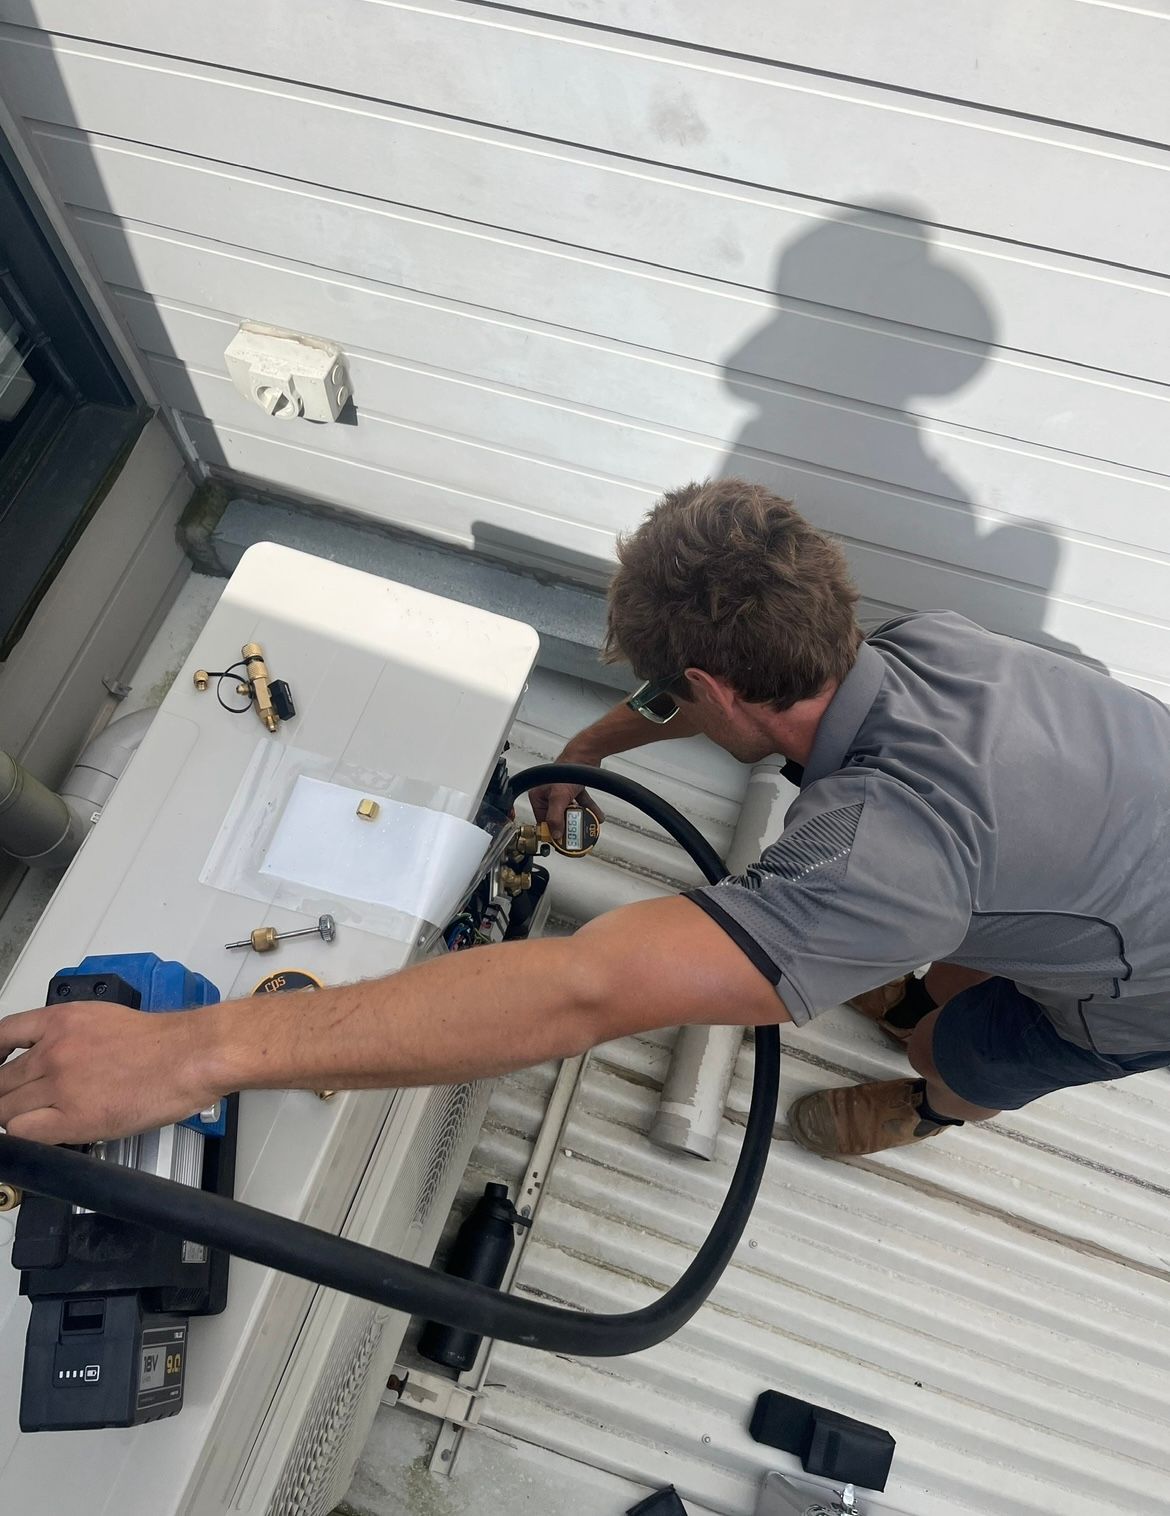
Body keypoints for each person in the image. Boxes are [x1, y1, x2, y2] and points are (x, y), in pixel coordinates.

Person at [3, 479, 1170, 1158]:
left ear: (721, 689)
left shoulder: (891, 852)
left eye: (679, 691)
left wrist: (192, 1051)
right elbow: (702, 693)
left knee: (962, 1039)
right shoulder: (931, 644)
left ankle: (927, 1102)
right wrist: (588, 744)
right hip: (1093, 840)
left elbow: (586, 986)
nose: (670, 702)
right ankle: (908, 975)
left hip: (1145, 982)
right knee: (954, 937)